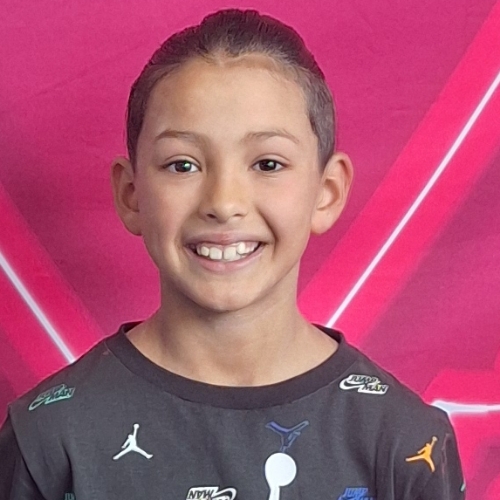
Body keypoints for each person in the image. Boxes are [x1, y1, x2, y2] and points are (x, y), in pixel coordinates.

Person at [0, 9, 465, 500]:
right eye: (183, 165)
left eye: (268, 163)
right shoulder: (47, 440)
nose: (223, 203)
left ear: (326, 192)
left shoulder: (404, 442)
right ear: (132, 195)